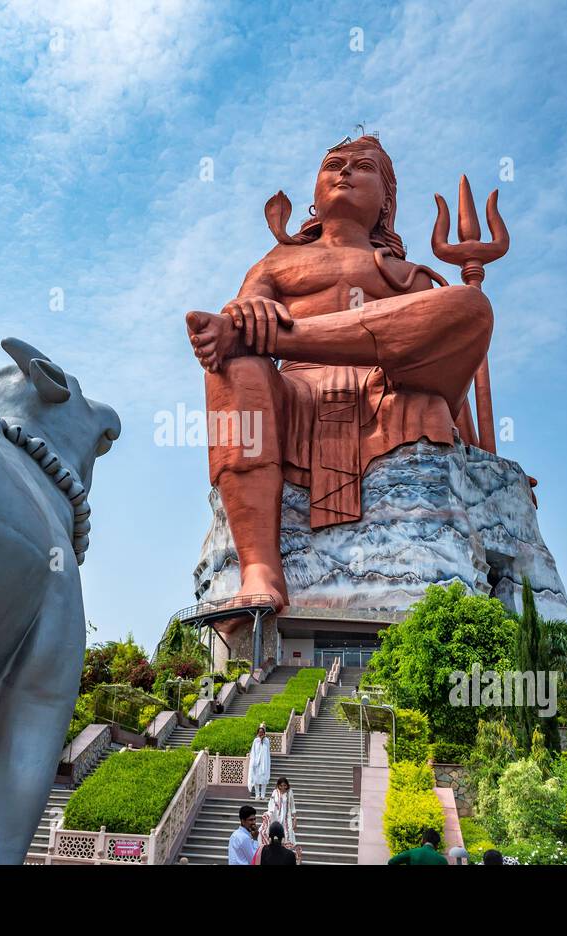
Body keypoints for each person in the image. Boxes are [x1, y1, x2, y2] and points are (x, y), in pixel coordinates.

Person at [186, 135, 496, 615]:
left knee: (469, 305)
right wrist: (247, 324)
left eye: (362, 167)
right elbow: (241, 314)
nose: (345, 172)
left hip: (382, 390)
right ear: (315, 191)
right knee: (233, 365)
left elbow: (443, 368)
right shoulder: (276, 262)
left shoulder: (409, 275)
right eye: (334, 164)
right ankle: (260, 567)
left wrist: (484, 460)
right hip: (291, 393)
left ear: (386, 200)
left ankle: (278, 341)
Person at [266, 776, 296, 844]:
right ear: (278, 785)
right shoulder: (275, 792)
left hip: (286, 816)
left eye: (284, 785)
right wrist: (269, 815)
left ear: (287, 785)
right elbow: (271, 804)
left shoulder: (290, 792)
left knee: (287, 833)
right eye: (281, 785)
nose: (283, 787)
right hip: (276, 816)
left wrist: (294, 818)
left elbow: (292, 805)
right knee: (275, 833)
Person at [247, 723, 271, 799]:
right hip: (256, 763)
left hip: (264, 763)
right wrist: (253, 761)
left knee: (264, 780)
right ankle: (257, 795)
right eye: (259, 732)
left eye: (262, 732)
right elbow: (253, 751)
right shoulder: (255, 740)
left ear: (264, 733)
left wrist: (262, 740)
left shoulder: (266, 740)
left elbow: (266, 750)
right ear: (258, 733)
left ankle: (263, 795)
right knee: (256, 780)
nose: (261, 733)